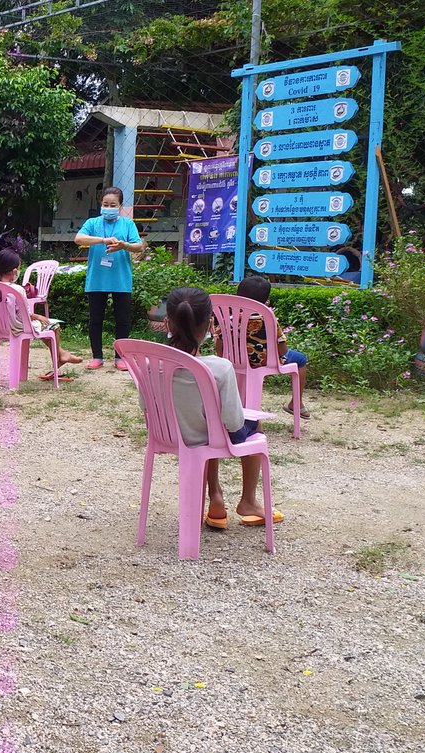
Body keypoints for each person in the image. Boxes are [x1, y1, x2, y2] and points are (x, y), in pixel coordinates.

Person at [163, 287, 282, 530]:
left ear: (167, 323)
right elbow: (233, 422)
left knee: (206, 428)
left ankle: (215, 498)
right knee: (242, 425)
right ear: (209, 325)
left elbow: (146, 405)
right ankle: (248, 501)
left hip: (168, 434)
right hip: (207, 435)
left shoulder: (149, 362)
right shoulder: (219, 367)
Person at [75, 186, 144, 371]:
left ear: (120, 206)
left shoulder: (128, 224)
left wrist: (124, 245)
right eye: (105, 204)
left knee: (122, 320)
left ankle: (120, 357)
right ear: (101, 204)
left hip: (121, 279)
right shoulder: (93, 223)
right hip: (97, 279)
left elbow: (139, 247)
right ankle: (97, 356)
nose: (108, 207)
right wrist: (102, 240)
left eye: (113, 204)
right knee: (95, 319)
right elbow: (79, 238)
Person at [0, 250, 82, 379]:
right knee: (53, 325)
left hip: (1, 326)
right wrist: (38, 316)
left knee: (42, 325)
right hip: (17, 327)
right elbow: (24, 314)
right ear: (14, 270)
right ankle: (59, 358)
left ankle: (62, 354)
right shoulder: (17, 289)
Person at [234, 275, 310, 419]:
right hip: (264, 362)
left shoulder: (230, 318)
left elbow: (219, 342)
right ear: (266, 302)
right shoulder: (268, 319)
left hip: (235, 361)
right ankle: (296, 404)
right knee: (300, 359)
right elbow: (283, 351)